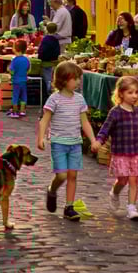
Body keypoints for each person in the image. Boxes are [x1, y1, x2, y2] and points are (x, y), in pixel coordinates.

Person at [92, 76, 138, 221]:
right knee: (123, 180)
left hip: (135, 153)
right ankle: (115, 192)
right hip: (120, 153)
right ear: (121, 94)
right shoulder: (115, 112)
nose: (134, 96)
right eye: (130, 93)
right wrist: (98, 141)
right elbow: (105, 130)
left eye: (136, 92)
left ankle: (132, 207)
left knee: (133, 180)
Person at [37, 61, 98, 221]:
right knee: (62, 176)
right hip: (58, 143)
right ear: (64, 80)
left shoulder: (79, 99)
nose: (78, 82)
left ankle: (69, 207)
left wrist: (93, 140)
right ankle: (52, 189)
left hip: (75, 143)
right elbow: (45, 120)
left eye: (79, 78)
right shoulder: (54, 99)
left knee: (72, 176)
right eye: (75, 78)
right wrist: (41, 137)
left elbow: (84, 122)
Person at [8, 39, 30, 119]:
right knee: (24, 95)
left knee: (15, 96)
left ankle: (14, 112)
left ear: (16, 49)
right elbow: (28, 69)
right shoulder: (26, 59)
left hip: (16, 81)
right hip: (24, 80)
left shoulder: (14, 60)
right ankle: (22, 111)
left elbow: (12, 71)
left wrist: (9, 71)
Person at [37, 22, 61, 97]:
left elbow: (41, 51)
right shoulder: (56, 40)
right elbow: (57, 51)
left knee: (47, 80)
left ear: (46, 29)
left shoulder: (45, 39)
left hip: (45, 63)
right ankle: (51, 92)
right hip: (53, 63)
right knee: (51, 79)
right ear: (56, 30)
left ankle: (48, 95)